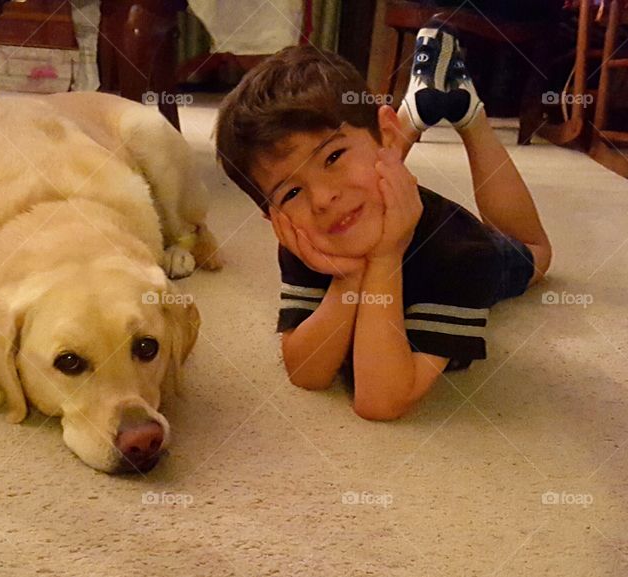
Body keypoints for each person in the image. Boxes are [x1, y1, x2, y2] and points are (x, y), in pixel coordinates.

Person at [214, 21, 552, 420]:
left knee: (537, 253)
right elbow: (307, 372)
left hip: (471, 244)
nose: (322, 199)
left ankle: (468, 114)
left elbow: (381, 400)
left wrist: (387, 256)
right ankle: (405, 119)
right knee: (366, 186)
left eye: (333, 156)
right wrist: (350, 277)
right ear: (273, 216)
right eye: (291, 192)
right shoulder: (308, 237)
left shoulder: (463, 254)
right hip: (379, 174)